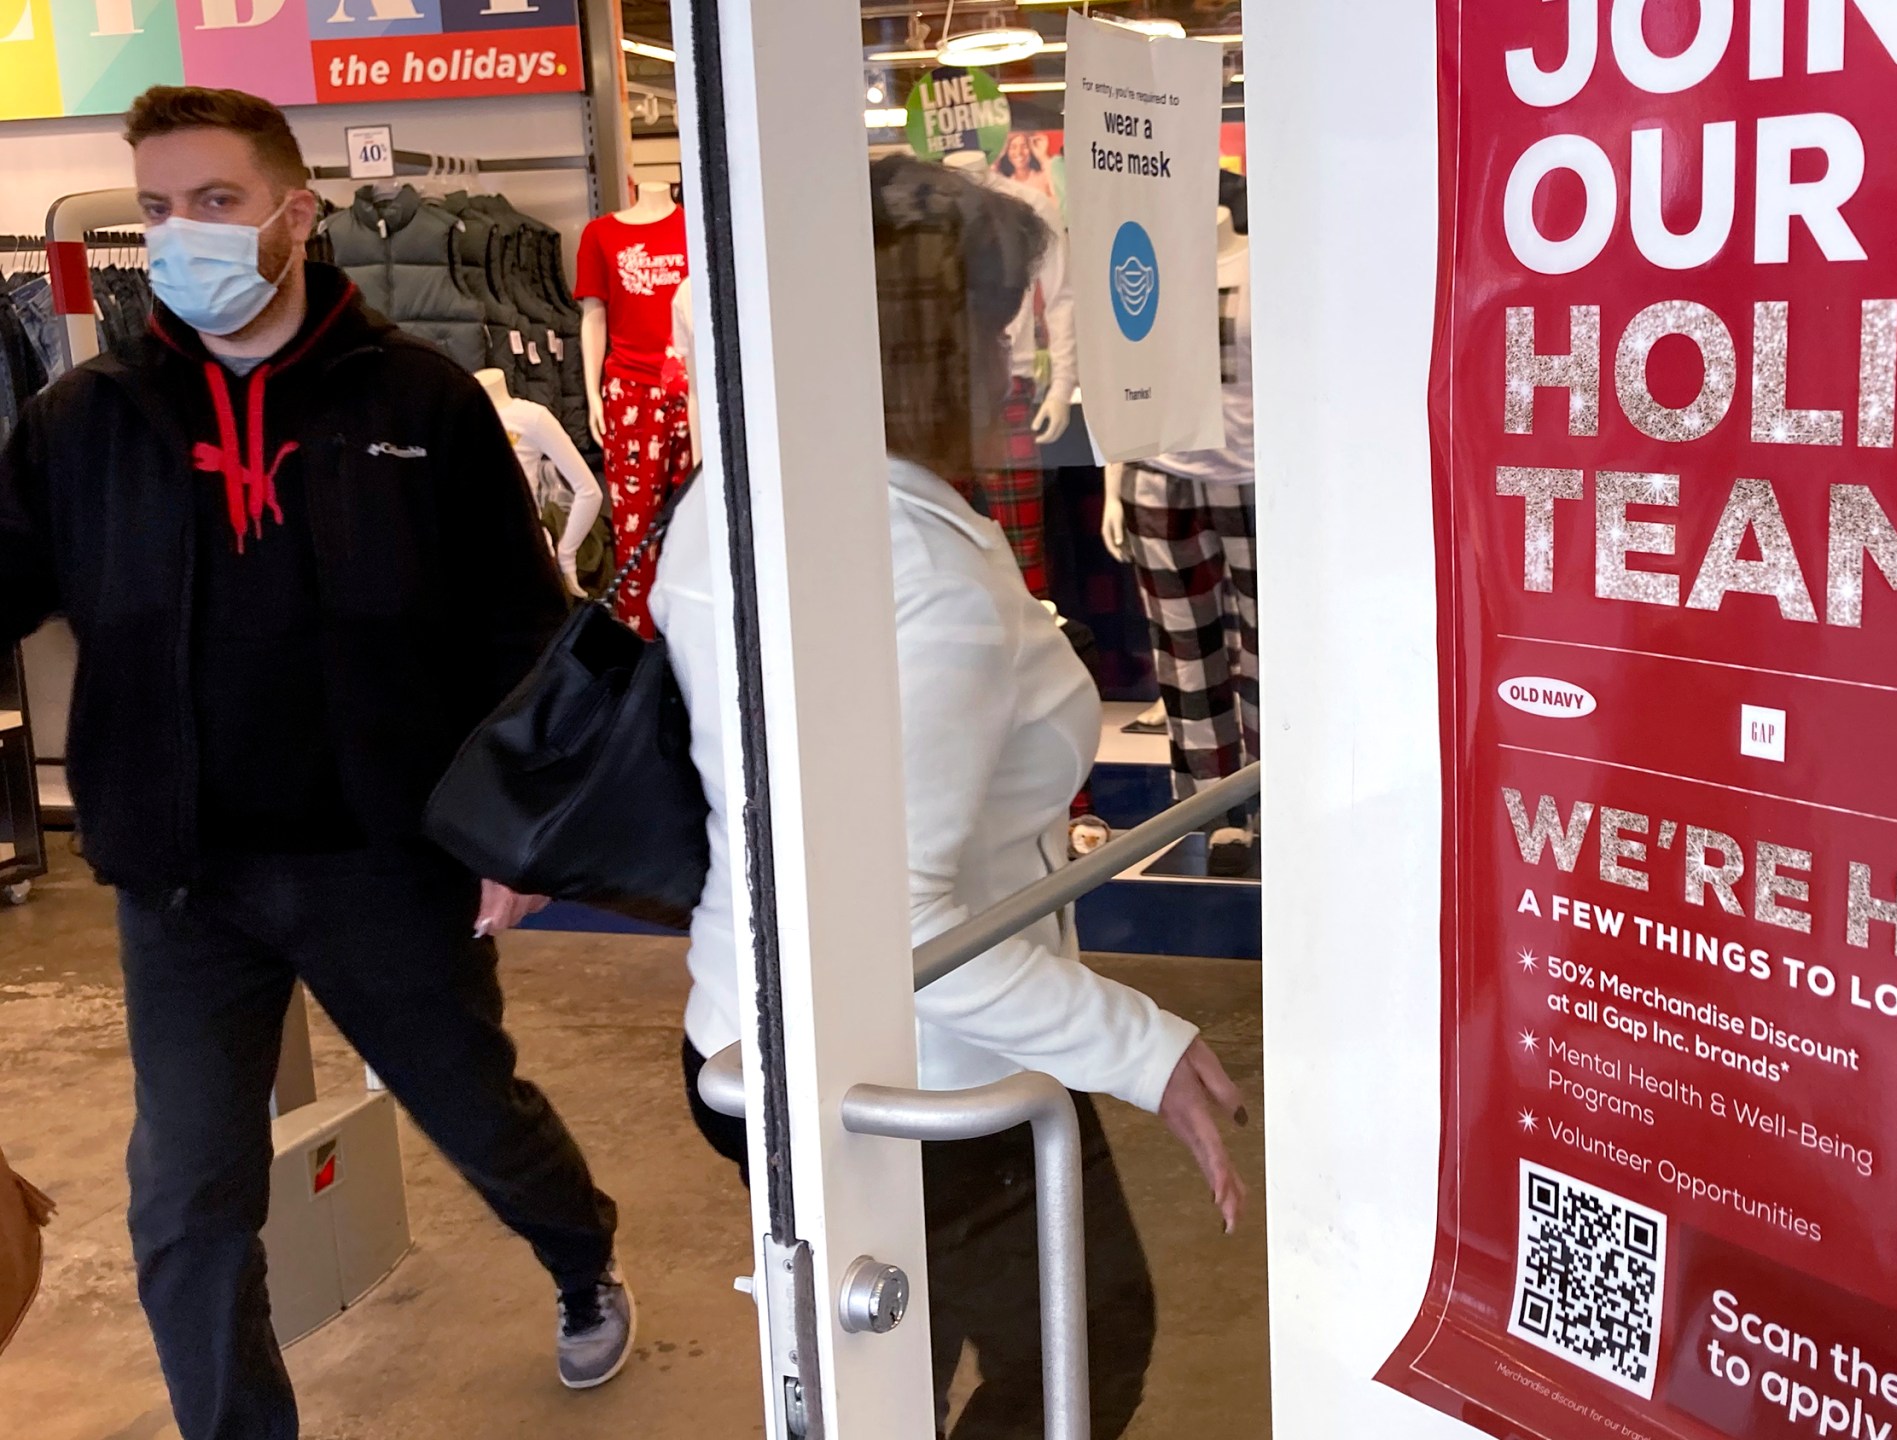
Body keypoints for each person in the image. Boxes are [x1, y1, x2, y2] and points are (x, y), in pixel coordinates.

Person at [0, 87, 633, 1437]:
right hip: (183, 879)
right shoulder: (82, 423)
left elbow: (521, 634)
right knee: (185, 1199)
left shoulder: (426, 403)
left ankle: (582, 1257)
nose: (183, 236)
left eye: (216, 203)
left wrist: (521, 836)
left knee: (477, 1114)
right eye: (158, 208)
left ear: (297, 214)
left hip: (384, 860)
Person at [653, 156, 1248, 1438]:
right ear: (912, 350)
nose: (1017, 362)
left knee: (887, 1373)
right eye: (990, 327)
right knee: (1074, 1348)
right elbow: (900, 934)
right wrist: (1150, 1047)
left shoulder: (748, 501)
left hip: (751, 1022)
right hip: (919, 1073)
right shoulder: (911, 577)